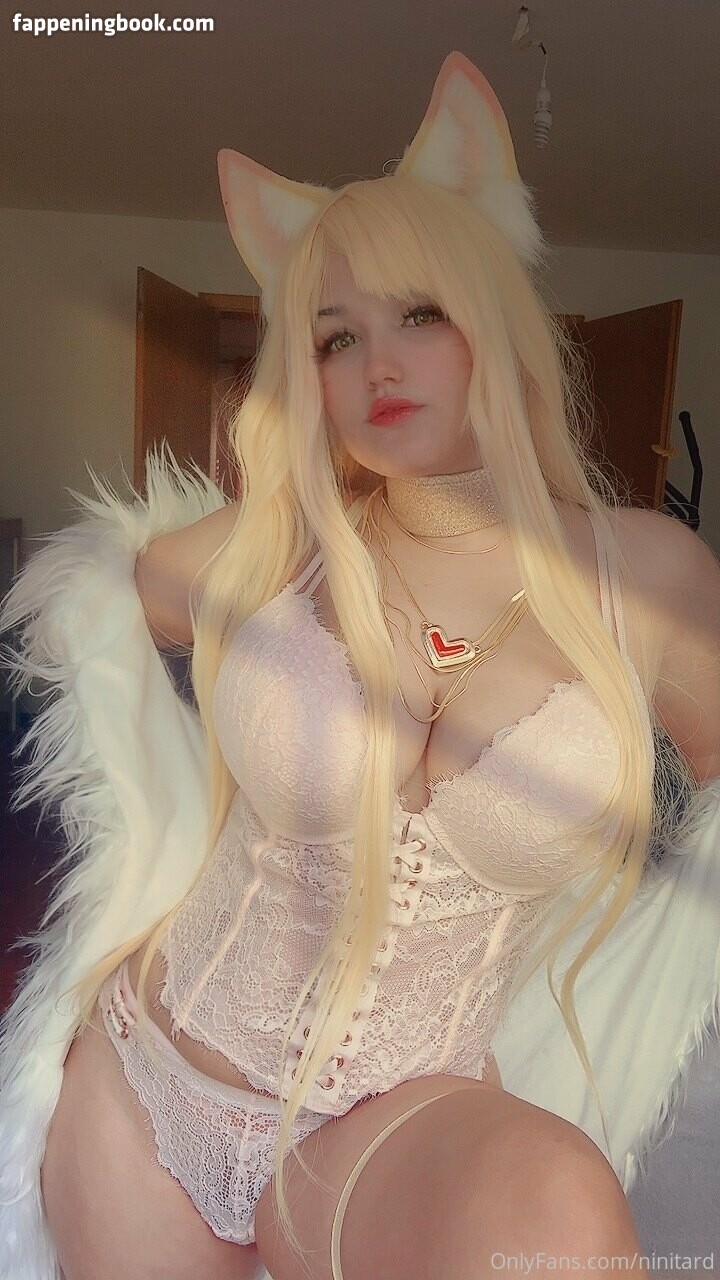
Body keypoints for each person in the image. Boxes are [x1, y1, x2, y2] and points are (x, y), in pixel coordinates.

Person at [1, 50, 719, 1280]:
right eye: (336, 337)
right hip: (157, 1080)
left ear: (494, 323)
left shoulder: (648, 578)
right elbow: (86, 617)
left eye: (419, 315)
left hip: (396, 1121)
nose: (378, 364)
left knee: (558, 1221)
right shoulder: (271, 548)